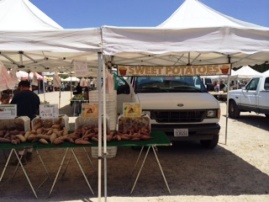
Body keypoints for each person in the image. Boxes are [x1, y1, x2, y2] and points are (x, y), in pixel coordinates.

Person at [10, 80, 40, 165]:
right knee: (29, 136)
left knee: (21, 137)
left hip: (20, 120)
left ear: (21, 86)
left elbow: (12, 108)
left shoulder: (17, 96)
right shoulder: (35, 96)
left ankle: (21, 157)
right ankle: (29, 153)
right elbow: (38, 109)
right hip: (32, 120)